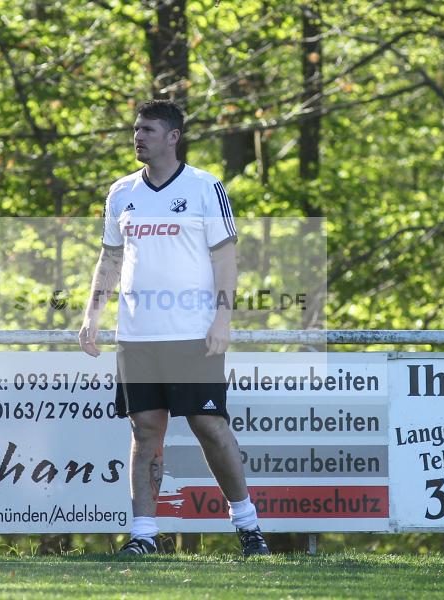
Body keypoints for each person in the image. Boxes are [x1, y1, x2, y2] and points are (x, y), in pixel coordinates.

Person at [79, 99, 269, 557]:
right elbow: (110, 256)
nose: (137, 136)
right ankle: (144, 534)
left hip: (192, 332)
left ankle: (247, 524)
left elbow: (225, 257)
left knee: (209, 424)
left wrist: (223, 317)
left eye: (146, 129)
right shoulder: (121, 192)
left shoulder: (206, 188)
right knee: (145, 430)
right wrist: (92, 314)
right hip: (137, 335)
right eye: (135, 129)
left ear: (172, 136)